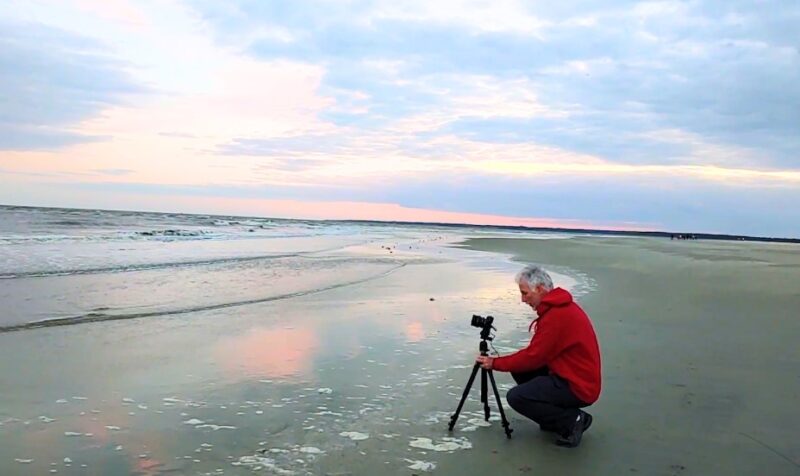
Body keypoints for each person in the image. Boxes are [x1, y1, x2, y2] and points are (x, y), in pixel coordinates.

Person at [476, 265, 602, 448]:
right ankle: (552, 418)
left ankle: (573, 420)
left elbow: (533, 357)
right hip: (571, 375)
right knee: (521, 371)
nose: (522, 299)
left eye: (525, 293)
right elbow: (535, 356)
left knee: (516, 397)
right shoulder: (558, 308)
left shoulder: (558, 315)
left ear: (540, 289)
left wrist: (494, 363)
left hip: (579, 386)